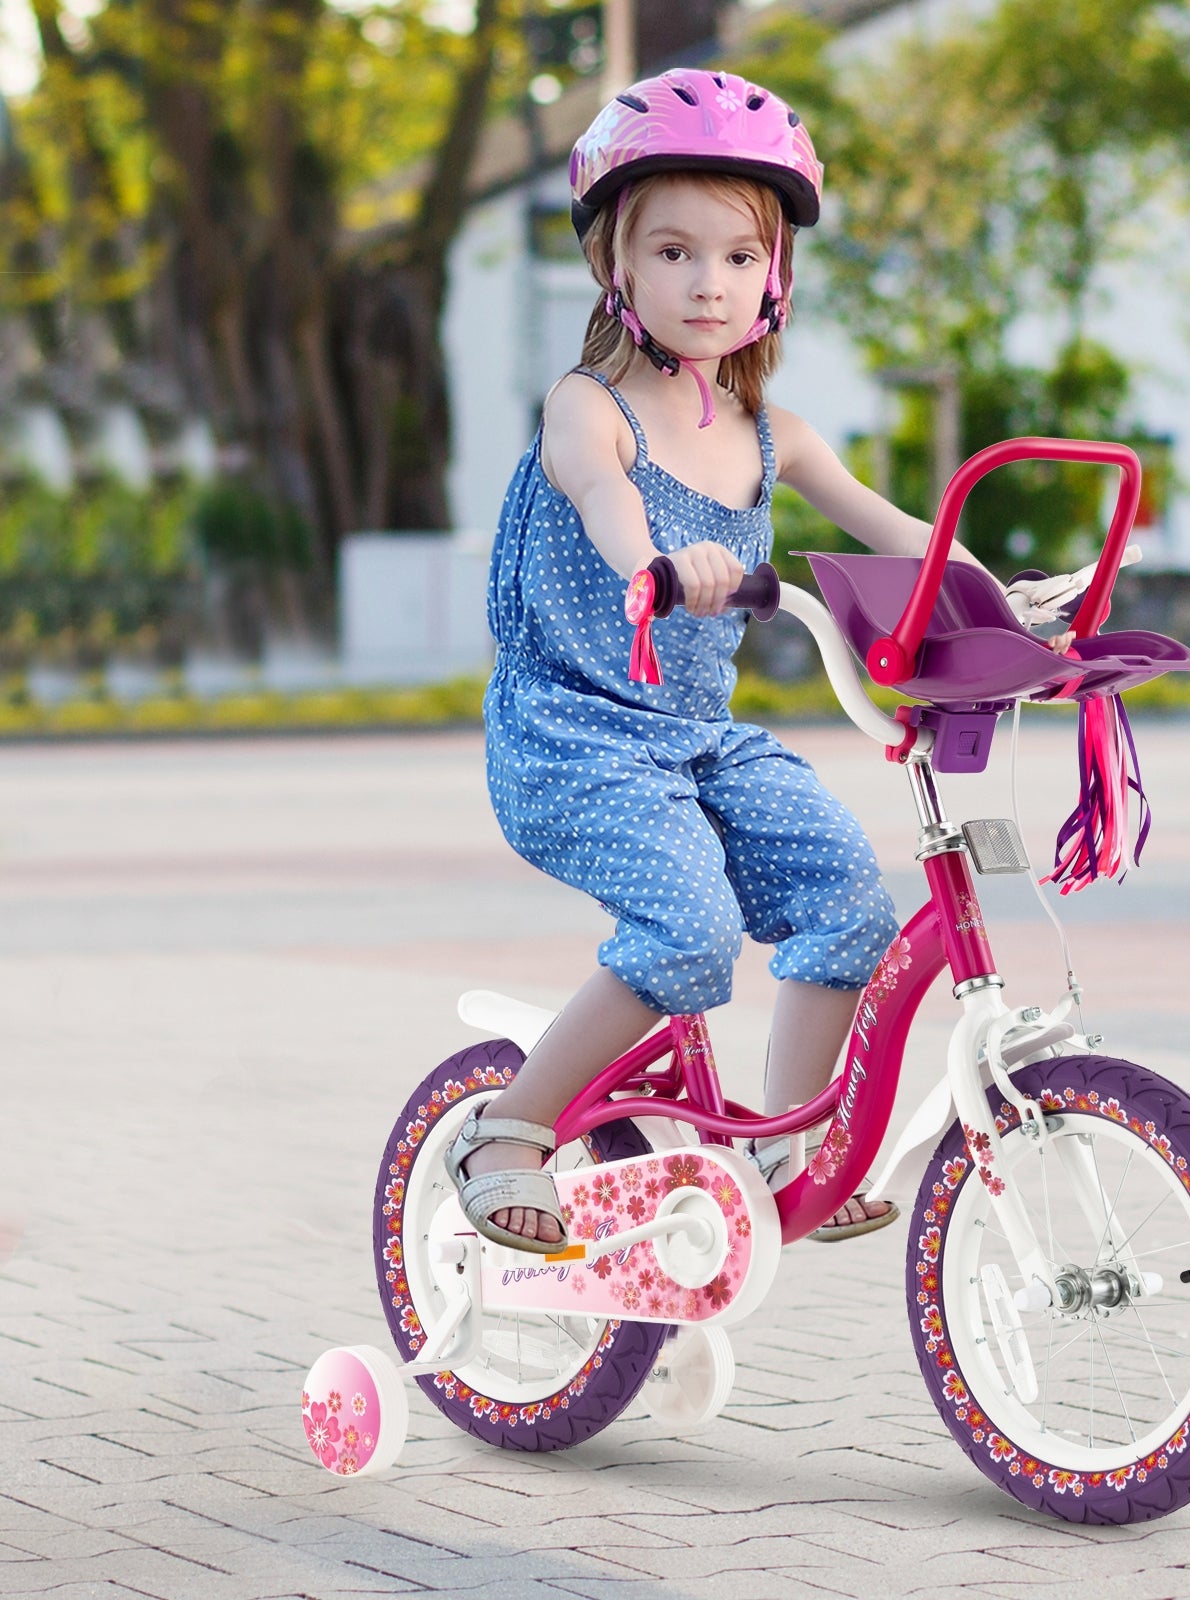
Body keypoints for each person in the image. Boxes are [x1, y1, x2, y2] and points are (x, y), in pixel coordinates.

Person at [446, 67, 974, 1254]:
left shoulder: (773, 435)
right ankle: (508, 1132)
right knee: (688, 927)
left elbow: (908, 534)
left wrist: (1016, 604)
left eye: (739, 256)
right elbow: (601, 492)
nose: (708, 283)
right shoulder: (587, 406)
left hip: (695, 741)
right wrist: (656, 560)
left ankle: (786, 1139)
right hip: (571, 736)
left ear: (774, 274)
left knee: (845, 892)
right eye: (674, 252)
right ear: (615, 265)